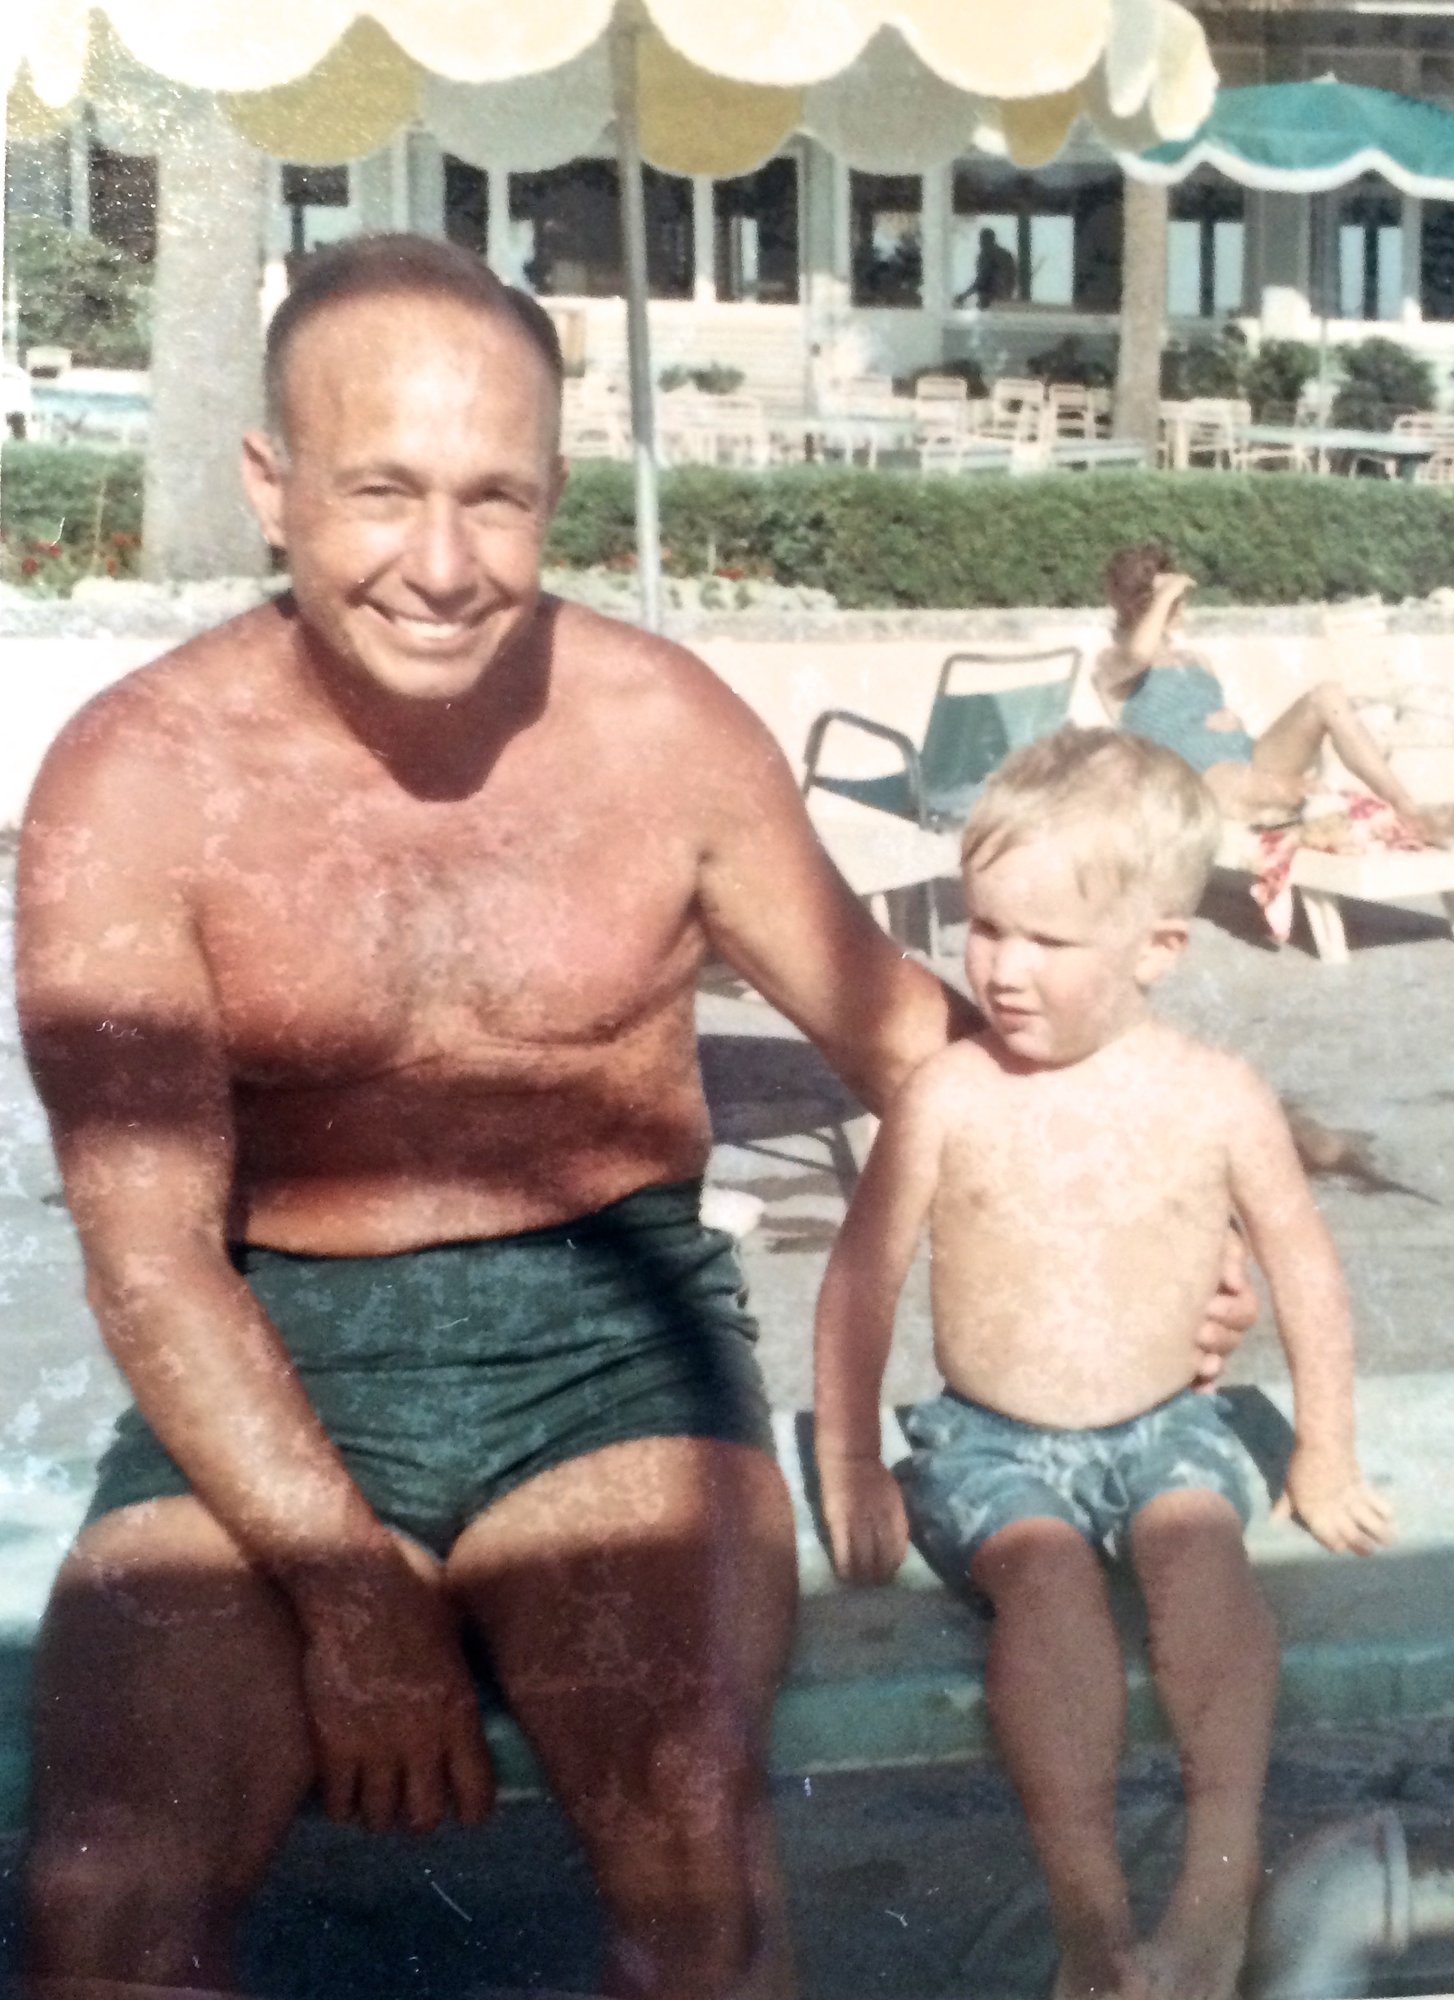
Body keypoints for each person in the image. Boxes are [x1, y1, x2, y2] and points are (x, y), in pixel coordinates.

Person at [14, 234, 1250, 2000]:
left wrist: (1147, 1221)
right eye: (381, 493)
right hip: (266, 1359)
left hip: (611, 1352)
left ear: (553, 495)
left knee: (689, 1837)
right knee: (102, 1899)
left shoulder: (655, 734)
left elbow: (912, 1042)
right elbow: (145, 1267)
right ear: (269, 488)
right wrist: (353, 1599)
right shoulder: (134, 783)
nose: (442, 567)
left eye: (496, 500)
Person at [813, 728, 1394, 2000]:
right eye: (983, 929)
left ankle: (1214, 1881)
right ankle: (1086, 1908)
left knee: (1200, 1553)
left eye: (1047, 941)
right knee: (1049, 1584)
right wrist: (851, 1453)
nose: (1002, 969)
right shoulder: (951, 1094)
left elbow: (1303, 1267)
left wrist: (1325, 1442)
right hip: (990, 1442)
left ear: (1158, 950)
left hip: (1165, 1423)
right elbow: (862, 1273)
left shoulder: (1216, 1094)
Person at [1092, 540, 1454, 844]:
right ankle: (1342, 816)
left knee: (1326, 696)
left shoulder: (1196, 659)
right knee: (1300, 792)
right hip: (1197, 781)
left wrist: (1229, 719)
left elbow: (1209, 711)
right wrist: (1165, 594)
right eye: (1173, 602)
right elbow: (1139, 652)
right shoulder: (1112, 667)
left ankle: (1405, 807)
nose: (1182, 607)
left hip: (1249, 756)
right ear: (1143, 606)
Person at [954, 226, 1020, 310]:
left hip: (994, 297)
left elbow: (981, 280)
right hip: (1005, 295)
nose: (981, 243)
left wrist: (964, 296)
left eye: (982, 240)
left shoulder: (988, 255)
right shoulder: (1004, 254)